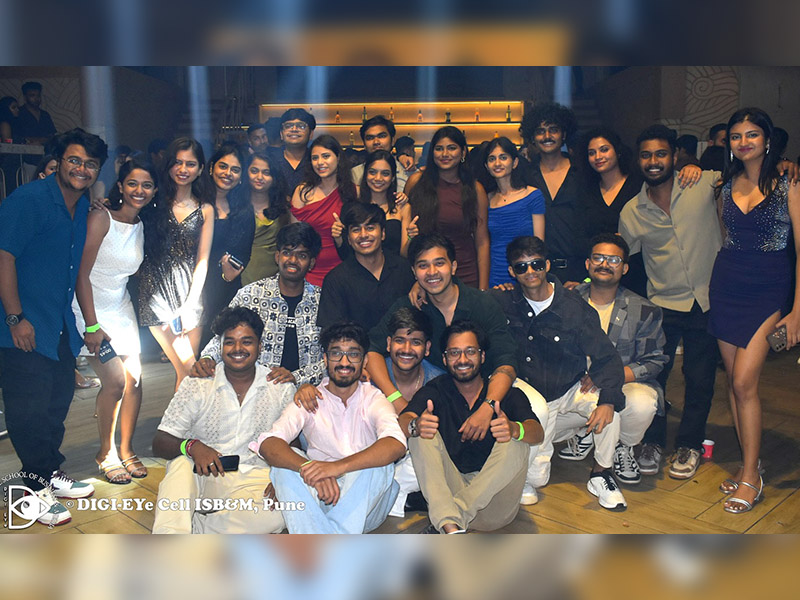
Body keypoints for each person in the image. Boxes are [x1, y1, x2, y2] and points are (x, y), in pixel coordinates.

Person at [0, 128, 108, 525]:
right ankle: (31, 489)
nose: (82, 169)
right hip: (21, 326)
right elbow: (4, 257)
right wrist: (16, 317)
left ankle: (47, 471)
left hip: (58, 322)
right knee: (27, 411)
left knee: (56, 400)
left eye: (90, 164)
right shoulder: (28, 200)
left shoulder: (81, 207)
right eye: (74, 160)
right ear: (59, 161)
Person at [490, 236, 628, 511]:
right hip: (530, 395)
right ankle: (526, 473)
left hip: (568, 387)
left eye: (537, 264)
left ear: (547, 265)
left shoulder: (574, 308)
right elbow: (461, 300)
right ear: (512, 272)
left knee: (609, 411)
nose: (530, 272)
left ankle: (601, 474)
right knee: (537, 480)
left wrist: (608, 401)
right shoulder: (502, 301)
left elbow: (608, 357)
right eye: (522, 267)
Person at [708, 108, 800, 513]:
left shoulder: (789, 183)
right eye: (736, 136)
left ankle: (750, 477)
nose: (743, 142)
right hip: (727, 285)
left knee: (745, 382)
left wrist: (797, 311)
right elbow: (725, 238)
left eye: (751, 134)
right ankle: (751, 465)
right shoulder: (724, 186)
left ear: (767, 139)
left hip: (768, 291)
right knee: (733, 382)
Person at [618, 124, 723, 481]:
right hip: (661, 306)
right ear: (638, 160)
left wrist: (785, 166)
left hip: (707, 302)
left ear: (675, 156)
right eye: (646, 155)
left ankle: (690, 444)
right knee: (655, 380)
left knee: (700, 378)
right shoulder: (632, 211)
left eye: (661, 154)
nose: (653, 161)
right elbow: (625, 262)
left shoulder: (704, 184)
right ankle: (651, 442)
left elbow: (746, 175)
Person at [254, 321, 407, 534]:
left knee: (380, 464)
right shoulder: (310, 398)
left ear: (365, 361)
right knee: (283, 466)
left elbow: (396, 443)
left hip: (365, 504)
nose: (344, 362)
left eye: (353, 354)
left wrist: (336, 468)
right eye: (336, 354)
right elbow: (268, 443)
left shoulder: (373, 398)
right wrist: (310, 468)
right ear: (325, 359)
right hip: (318, 494)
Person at [152, 307, 293, 534]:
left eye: (246, 342)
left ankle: (198, 530)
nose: (237, 349)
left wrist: (284, 478)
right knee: (180, 464)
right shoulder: (198, 383)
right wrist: (192, 446)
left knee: (282, 512)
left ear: (260, 346)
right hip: (203, 475)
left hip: (254, 479)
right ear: (220, 346)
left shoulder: (279, 387)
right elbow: (160, 442)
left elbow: (292, 444)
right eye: (229, 342)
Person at [365, 234, 518, 440]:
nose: (432, 272)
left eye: (439, 263)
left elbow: (506, 362)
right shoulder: (410, 305)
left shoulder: (482, 304)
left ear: (453, 266)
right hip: (440, 395)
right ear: (414, 272)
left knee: (538, 411)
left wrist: (487, 406)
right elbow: (372, 347)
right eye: (423, 266)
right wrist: (396, 399)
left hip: (488, 389)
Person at [399, 320, 543, 533]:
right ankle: (450, 527)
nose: (463, 360)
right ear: (445, 359)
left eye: (470, 352)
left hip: (494, 505)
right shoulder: (436, 390)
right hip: (451, 489)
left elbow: (537, 433)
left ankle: (450, 519)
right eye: (454, 353)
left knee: (515, 440)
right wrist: (415, 425)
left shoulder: (508, 395)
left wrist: (514, 429)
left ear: (482, 356)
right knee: (420, 433)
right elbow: (403, 420)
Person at [73, 159, 157, 484]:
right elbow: (81, 274)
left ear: (154, 191)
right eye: (132, 183)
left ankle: (126, 448)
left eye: (147, 185)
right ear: (120, 186)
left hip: (120, 307)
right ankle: (105, 453)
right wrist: (92, 325)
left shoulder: (141, 224)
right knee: (115, 381)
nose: (139, 190)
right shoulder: (101, 217)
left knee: (135, 380)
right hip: (89, 308)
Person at [568, 233, 667, 485]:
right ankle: (586, 432)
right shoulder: (567, 300)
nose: (604, 264)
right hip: (575, 384)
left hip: (622, 383)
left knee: (643, 403)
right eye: (598, 258)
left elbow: (654, 361)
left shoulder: (643, 309)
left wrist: (606, 376)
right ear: (588, 264)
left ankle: (624, 444)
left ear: (625, 268)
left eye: (613, 260)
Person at [192, 222, 325, 386]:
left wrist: (297, 377)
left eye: (302, 256)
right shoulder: (251, 295)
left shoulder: (322, 300)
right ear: (277, 257)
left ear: (311, 263)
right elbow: (222, 336)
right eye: (287, 253)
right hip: (256, 390)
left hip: (307, 392)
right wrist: (208, 357)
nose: (292, 260)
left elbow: (333, 356)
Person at [138, 137, 215, 391]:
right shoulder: (152, 202)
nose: (183, 169)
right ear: (169, 165)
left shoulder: (205, 209)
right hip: (156, 293)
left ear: (200, 169)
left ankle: (182, 419)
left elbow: (203, 259)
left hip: (192, 294)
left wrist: (191, 303)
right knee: (190, 369)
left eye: (190, 164)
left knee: (186, 377)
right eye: (178, 162)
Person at [406, 127, 490, 289]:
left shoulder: (475, 189)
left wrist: (483, 288)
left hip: (464, 271)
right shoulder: (416, 183)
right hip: (426, 274)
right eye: (439, 149)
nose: (445, 154)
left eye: (451, 148)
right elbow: (406, 233)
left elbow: (482, 242)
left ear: (463, 152)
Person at [518, 102, 588, 286]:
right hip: (538, 271)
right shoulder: (524, 176)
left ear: (564, 134)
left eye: (553, 130)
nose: (547, 136)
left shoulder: (583, 171)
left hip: (580, 269)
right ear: (532, 137)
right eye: (540, 131)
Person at [318, 202, 415, 331]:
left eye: (370, 228)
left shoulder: (404, 269)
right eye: (356, 230)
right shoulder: (336, 280)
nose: (363, 235)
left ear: (383, 234)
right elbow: (332, 332)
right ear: (349, 239)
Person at [200, 144, 255, 348]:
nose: (228, 173)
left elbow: (241, 253)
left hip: (224, 285)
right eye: (223, 166)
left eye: (235, 169)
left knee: (219, 343)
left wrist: (225, 275)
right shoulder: (196, 201)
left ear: (241, 177)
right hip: (191, 283)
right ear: (211, 167)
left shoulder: (243, 210)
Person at [290, 134, 356, 286]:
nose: (320, 162)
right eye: (315, 158)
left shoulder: (353, 192)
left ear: (338, 158)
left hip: (343, 268)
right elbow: (294, 237)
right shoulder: (302, 192)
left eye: (326, 156)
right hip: (309, 269)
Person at [484, 136, 545, 287]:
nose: (497, 163)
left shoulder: (532, 195)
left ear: (515, 162)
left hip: (526, 274)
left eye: (503, 157)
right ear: (486, 166)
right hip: (495, 275)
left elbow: (539, 244)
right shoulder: (486, 199)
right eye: (492, 159)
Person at [240, 150, 290, 286]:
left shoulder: (284, 208)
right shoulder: (234, 206)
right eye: (254, 171)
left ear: (274, 177)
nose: (259, 177)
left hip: (275, 275)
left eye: (266, 173)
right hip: (240, 273)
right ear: (245, 173)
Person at [353, 150, 412, 256]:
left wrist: (411, 237)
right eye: (372, 172)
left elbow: (404, 253)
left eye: (385, 173)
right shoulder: (355, 205)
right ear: (365, 174)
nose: (378, 178)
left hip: (395, 265)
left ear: (392, 177)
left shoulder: (402, 207)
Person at [351, 116, 409, 192]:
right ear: (364, 144)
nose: (376, 142)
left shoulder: (407, 171)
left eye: (382, 136)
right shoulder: (354, 174)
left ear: (392, 140)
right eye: (370, 138)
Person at [267, 108, 316, 193]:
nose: (294, 129)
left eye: (301, 126)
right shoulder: (270, 159)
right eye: (288, 126)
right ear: (281, 134)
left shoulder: (316, 159)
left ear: (311, 134)